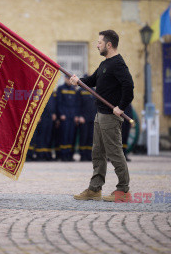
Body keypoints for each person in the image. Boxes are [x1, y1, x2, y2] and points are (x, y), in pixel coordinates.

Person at [70, 30, 134, 202]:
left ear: (109, 44)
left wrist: (121, 107)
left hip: (111, 117)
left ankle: (123, 191)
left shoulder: (118, 64)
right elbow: (92, 81)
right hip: (100, 115)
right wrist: (79, 81)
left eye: (99, 42)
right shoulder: (105, 64)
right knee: (97, 153)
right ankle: (94, 189)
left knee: (115, 153)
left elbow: (129, 87)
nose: (97, 45)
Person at [56, 75, 79, 161]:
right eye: (68, 79)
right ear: (65, 79)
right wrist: (61, 114)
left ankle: (69, 155)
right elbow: (59, 103)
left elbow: (77, 104)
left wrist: (76, 115)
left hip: (72, 117)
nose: (69, 81)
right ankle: (63, 155)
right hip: (64, 117)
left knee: (71, 136)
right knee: (64, 136)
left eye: (71, 79)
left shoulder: (74, 89)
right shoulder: (60, 88)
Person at [34, 91, 57, 161]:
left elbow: (54, 104)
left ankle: (47, 154)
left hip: (50, 116)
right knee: (41, 136)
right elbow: (35, 103)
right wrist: (38, 115)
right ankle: (40, 155)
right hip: (42, 116)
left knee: (48, 136)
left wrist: (54, 113)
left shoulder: (52, 92)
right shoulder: (39, 91)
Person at [77, 85, 97, 162]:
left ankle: (89, 155)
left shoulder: (94, 91)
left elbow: (96, 105)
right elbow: (77, 105)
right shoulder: (80, 91)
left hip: (93, 118)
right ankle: (82, 155)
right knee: (83, 137)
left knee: (91, 137)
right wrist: (79, 116)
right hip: (83, 118)